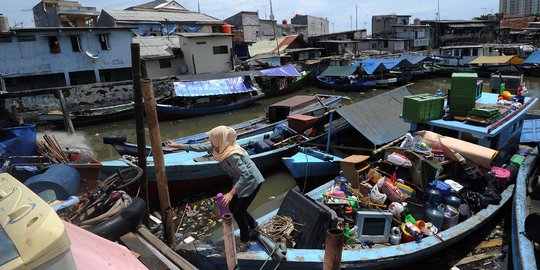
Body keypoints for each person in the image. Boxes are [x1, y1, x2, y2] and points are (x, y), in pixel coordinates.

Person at [166, 126, 264, 252]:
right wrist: (177, 145)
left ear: (220, 139)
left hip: (252, 181)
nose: (210, 142)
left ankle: (245, 240)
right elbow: (200, 147)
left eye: (212, 139)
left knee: (238, 211)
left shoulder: (231, 154)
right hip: (240, 180)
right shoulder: (218, 146)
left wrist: (230, 193)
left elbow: (246, 175)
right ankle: (254, 225)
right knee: (234, 207)